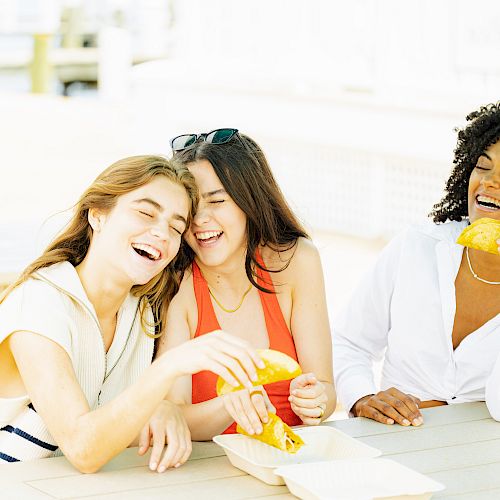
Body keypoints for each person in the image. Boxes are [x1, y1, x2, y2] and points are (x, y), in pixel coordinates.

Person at [0, 155, 265, 471]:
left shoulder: (142, 312)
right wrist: (165, 370)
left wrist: (192, 407)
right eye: (145, 213)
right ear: (98, 215)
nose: (161, 233)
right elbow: (83, 449)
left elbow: (117, 424)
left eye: (176, 227)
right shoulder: (40, 302)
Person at [153, 128, 336, 440]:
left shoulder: (296, 261)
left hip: (291, 462)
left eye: (217, 201)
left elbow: (326, 390)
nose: (200, 219)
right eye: (191, 206)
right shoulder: (177, 283)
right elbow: (174, 415)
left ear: (249, 200)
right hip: (211, 468)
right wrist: (230, 405)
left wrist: (316, 402)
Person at [333, 103, 500, 426]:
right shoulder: (416, 247)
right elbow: (348, 342)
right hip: (394, 446)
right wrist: (362, 397)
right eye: (483, 166)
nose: (490, 184)